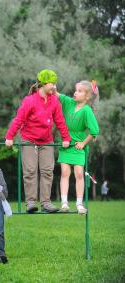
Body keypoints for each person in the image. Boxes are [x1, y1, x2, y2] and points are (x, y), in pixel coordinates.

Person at [5, 69, 71, 213]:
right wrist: (9, 137)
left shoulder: (54, 100)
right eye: (52, 83)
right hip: (29, 140)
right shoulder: (30, 101)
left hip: (46, 140)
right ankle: (30, 203)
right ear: (43, 84)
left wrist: (66, 138)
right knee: (30, 171)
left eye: (55, 83)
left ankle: (46, 203)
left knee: (47, 171)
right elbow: (19, 120)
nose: (54, 86)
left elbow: (60, 121)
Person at [55, 80, 100, 214]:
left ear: (87, 96)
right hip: (65, 144)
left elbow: (94, 131)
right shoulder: (69, 103)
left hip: (78, 147)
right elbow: (58, 95)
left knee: (79, 174)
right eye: (76, 90)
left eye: (80, 91)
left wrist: (83, 143)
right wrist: (52, 87)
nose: (75, 92)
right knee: (64, 173)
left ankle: (79, 204)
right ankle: (64, 203)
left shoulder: (86, 110)